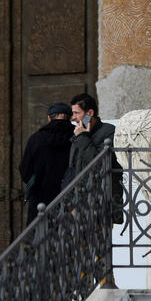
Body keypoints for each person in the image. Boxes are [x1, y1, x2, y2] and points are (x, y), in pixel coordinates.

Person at [61, 93, 124, 223]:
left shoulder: (109, 131)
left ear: (89, 113)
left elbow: (100, 163)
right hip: (78, 201)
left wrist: (83, 137)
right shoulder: (78, 133)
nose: (74, 118)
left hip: (101, 203)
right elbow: (73, 167)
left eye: (77, 113)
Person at [18, 102, 73, 226]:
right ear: (69, 117)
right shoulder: (77, 137)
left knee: (40, 237)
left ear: (49, 117)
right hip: (70, 197)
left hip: (40, 199)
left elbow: (25, 170)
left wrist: (36, 180)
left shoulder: (36, 138)